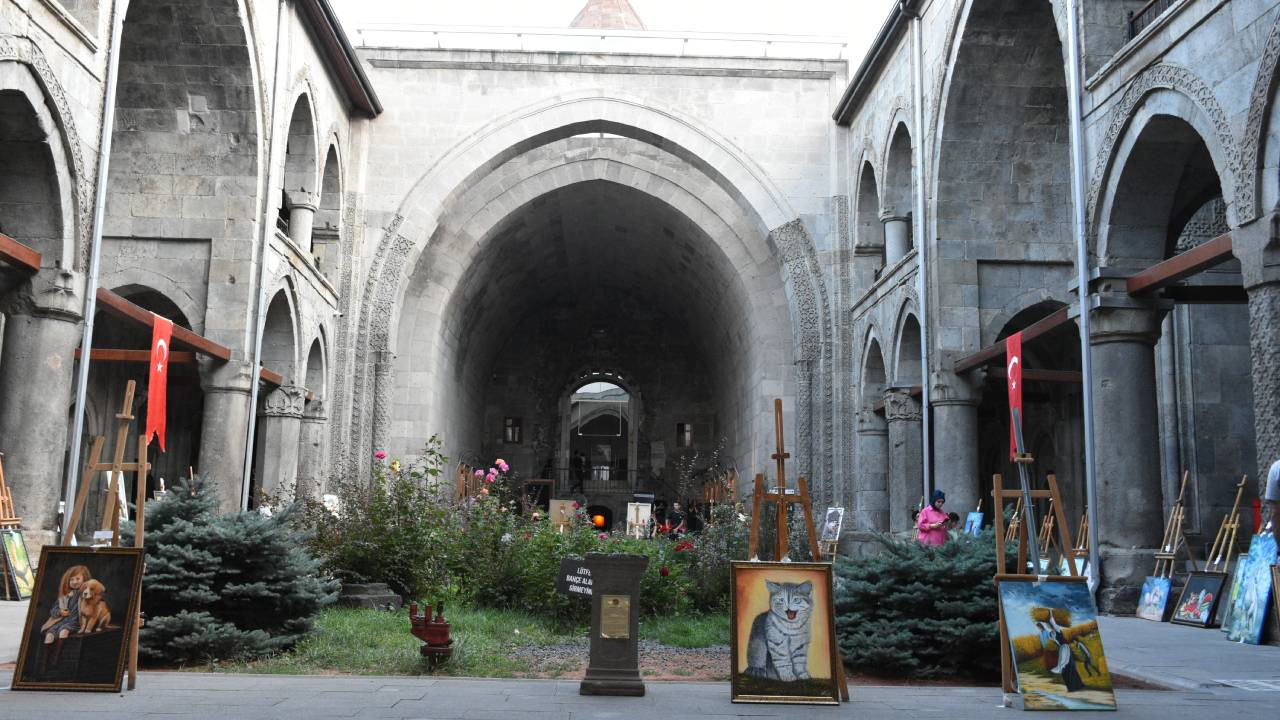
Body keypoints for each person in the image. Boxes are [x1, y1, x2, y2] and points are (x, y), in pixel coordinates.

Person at [38, 565, 90, 675]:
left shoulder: (85, 594)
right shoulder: (65, 596)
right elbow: (54, 610)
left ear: (84, 580)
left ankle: (56, 659)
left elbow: (91, 606)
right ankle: (45, 663)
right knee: (49, 635)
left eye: (77, 579)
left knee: (63, 631)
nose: (74, 582)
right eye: (71, 579)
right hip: (62, 621)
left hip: (75, 622)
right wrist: (60, 612)